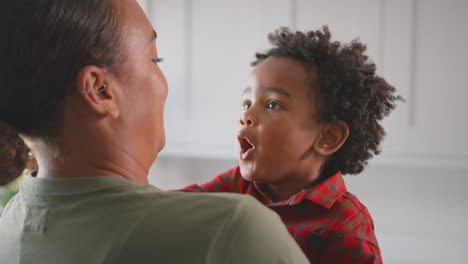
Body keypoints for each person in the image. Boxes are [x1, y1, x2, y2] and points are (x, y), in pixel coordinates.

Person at [0, 1, 309, 263]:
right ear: (100, 90)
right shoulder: (230, 233)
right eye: (154, 59)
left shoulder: (10, 225)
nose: (164, 80)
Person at [179, 26, 402, 263]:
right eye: (246, 103)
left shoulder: (345, 226)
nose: (246, 116)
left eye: (272, 104)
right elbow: (164, 211)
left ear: (328, 137)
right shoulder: (238, 185)